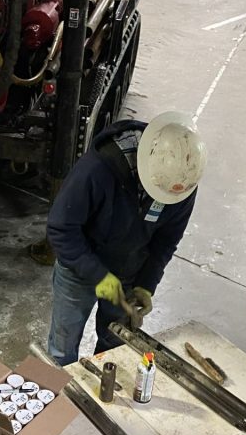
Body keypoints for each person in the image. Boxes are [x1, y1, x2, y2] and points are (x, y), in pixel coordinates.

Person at [46, 112, 206, 366]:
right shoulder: (97, 169)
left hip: (128, 274)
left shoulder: (181, 182)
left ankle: (104, 383)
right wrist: (96, 274)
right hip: (79, 269)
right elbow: (61, 228)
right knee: (62, 349)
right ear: (145, 167)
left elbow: (166, 241)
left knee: (115, 347)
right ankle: (60, 388)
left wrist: (146, 284)